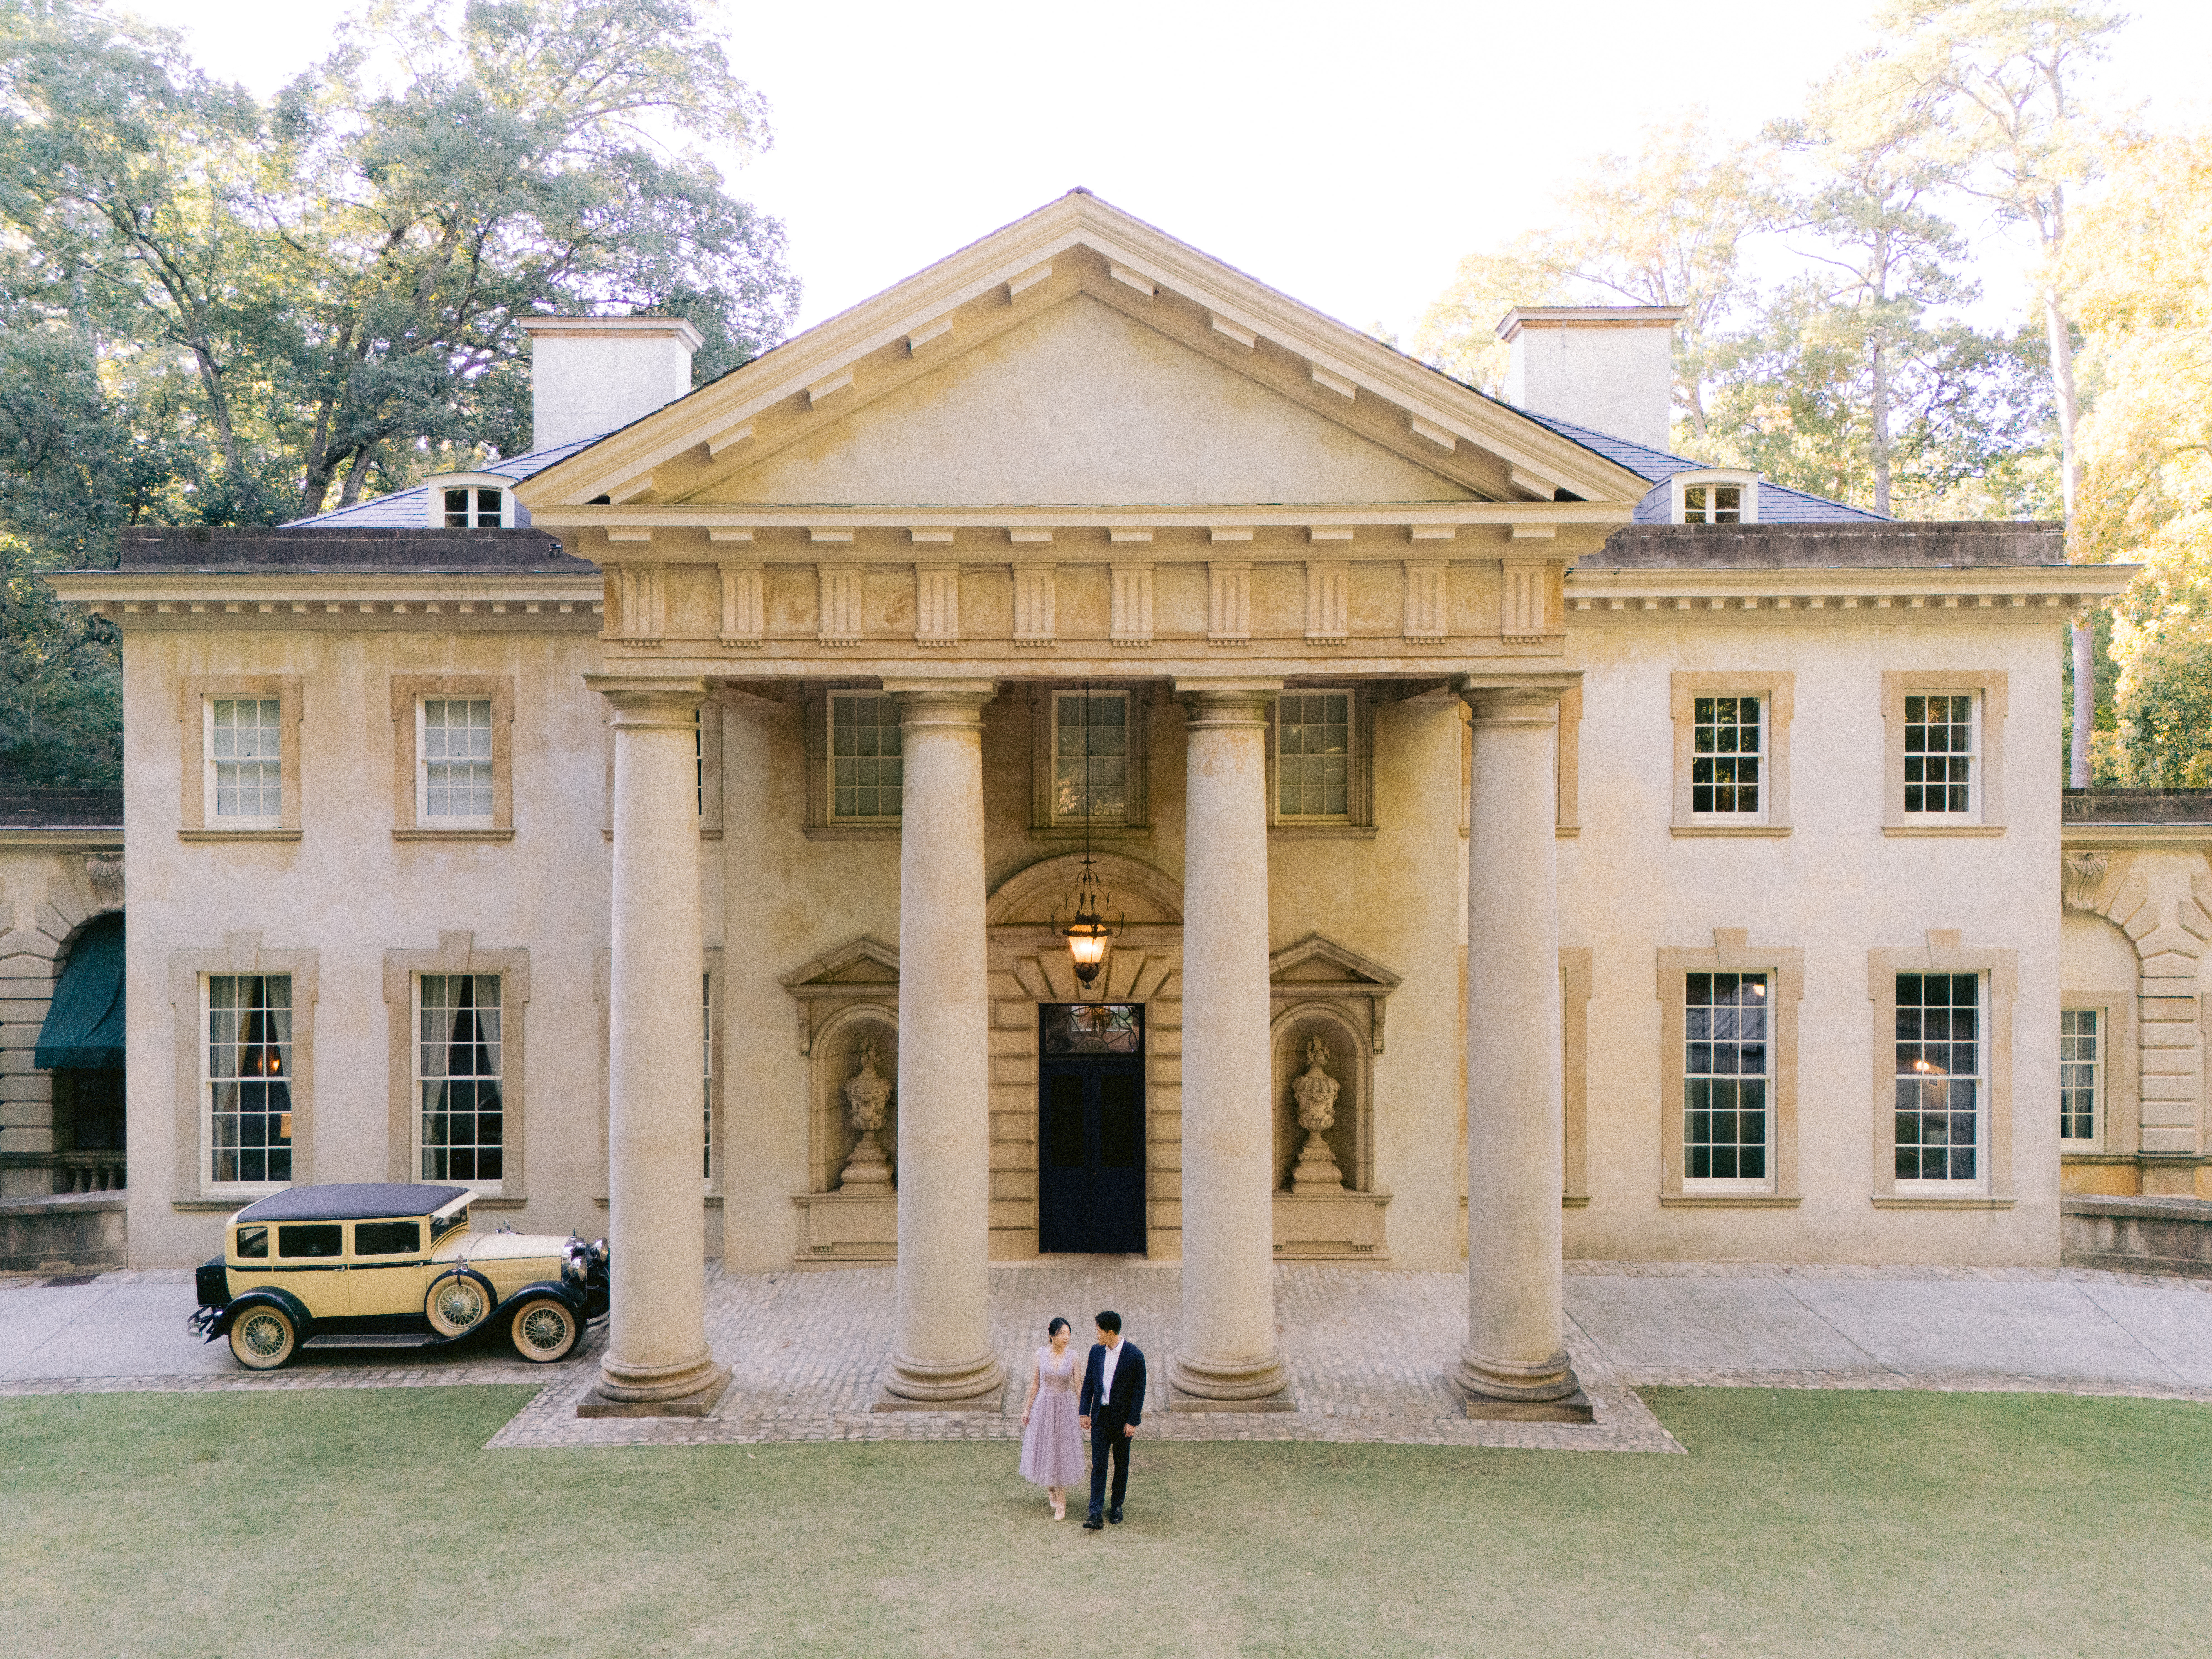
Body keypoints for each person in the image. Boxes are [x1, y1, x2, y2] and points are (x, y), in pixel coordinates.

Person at [1077, 1309, 1145, 1531]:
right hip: (1100, 1417)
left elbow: (1139, 1391)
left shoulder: (1135, 1356)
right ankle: (1095, 1512)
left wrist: (1133, 1421)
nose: (1096, 1335)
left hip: (1123, 1420)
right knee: (1099, 1464)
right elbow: (1088, 1382)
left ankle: (1117, 1505)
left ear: (1110, 1332)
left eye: (1098, 1331)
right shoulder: (1096, 1352)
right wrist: (1084, 1411)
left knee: (1121, 1463)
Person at [1018, 1316, 1085, 1520]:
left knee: (1062, 1448)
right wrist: (1027, 1409)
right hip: (1043, 1406)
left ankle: (1062, 1498)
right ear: (1052, 1335)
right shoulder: (1040, 1354)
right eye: (1062, 1333)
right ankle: (1050, 1486)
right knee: (1045, 1446)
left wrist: (1084, 1411)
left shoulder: (1073, 1357)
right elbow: (1035, 1383)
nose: (1066, 1337)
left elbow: (1078, 1385)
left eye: (1068, 1333)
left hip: (1064, 1407)